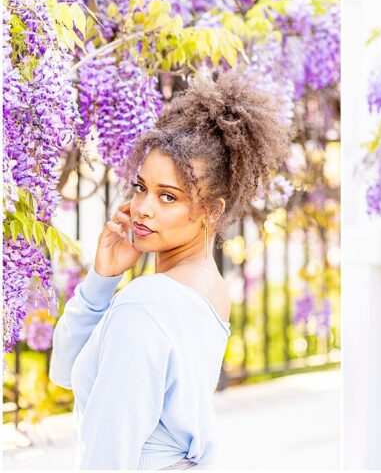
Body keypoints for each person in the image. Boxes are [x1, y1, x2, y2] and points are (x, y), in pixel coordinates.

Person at [50, 70, 291, 470]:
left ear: (211, 210)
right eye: (142, 187)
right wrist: (101, 281)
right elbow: (68, 373)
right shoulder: (208, 292)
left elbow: (110, 451)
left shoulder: (146, 304)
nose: (143, 207)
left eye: (168, 197)